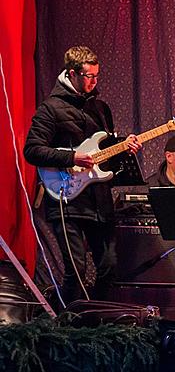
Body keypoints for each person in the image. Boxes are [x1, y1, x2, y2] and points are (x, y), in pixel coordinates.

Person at [23, 46, 141, 305]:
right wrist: (71, 158)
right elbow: (32, 150)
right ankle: (66, 328)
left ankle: (93, 323)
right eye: (89, 76)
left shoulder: (100, 108)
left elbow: (105, 156)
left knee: (109, 266)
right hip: (67, 199)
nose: (94, 82)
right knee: (75, 271)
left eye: (97, 76)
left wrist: (124, 148)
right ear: (72, 73)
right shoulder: (50, 109)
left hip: (99, 201)